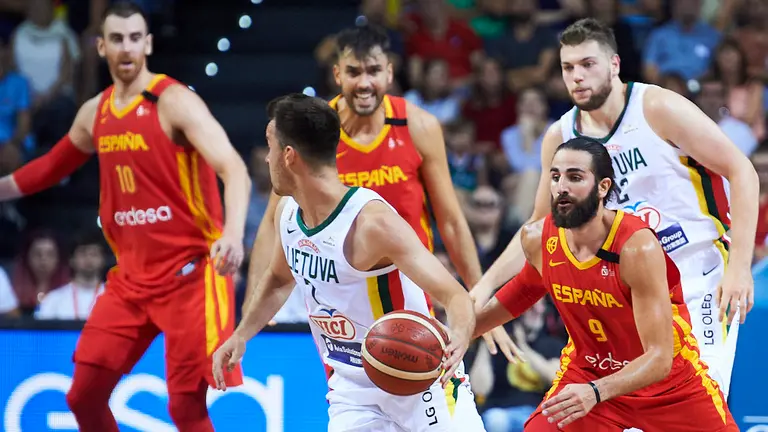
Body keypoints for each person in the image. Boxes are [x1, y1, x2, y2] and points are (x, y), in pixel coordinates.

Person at [471, 18, 758, 398]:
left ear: (614, 65)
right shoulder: (561, 135)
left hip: (696, 272)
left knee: (698, 397)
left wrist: (739, 267)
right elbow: (539, 228)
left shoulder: (656, 107)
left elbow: (742, 170)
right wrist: (484, 287)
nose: (577, 76)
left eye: (587, 64)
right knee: (635, 406)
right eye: (568, 67)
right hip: (627, 285)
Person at [0, 2, 251, 431]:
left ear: (149, 44)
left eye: (136, 37)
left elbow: (235, 169)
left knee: (186, 408)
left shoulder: (174, 101)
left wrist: (231, 233)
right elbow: (47, 168)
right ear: (101, 46)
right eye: (117, 39)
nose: (127, 47)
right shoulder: (95, 113)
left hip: (190, 278)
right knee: (82, 397)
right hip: (131, 283)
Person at [212, 93, 485, 432]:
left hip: (419, 381)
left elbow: (454, 295)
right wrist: (240, 336)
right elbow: (279, 280)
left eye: (270, 148)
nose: (266, 159)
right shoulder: (288, 214)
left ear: (289, 156)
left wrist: (459, 335)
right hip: (352, 390)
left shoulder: (372, 223)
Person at [245, 25, 517, 359]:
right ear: (337, 74)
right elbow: (274, 222)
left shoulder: (417, 126)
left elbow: (451, 222)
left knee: (424, 397)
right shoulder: (315, 131)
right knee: (347, 399)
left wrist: (479, 301)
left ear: (389, 72)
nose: (364, 83)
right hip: (339, 296)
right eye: (353, 72)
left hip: (410, 288)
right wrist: (251, 313)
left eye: (373, 71)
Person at [474, 137, 738, 431]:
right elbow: (525, 288)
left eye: (575, 177)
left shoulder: (637, 247)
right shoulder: (538, 238)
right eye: (555, 176)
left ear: (603, 187)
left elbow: (660, 358)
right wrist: (463, 334)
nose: (562, 186)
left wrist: (596, 391)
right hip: (588, 373)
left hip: (667, 386)